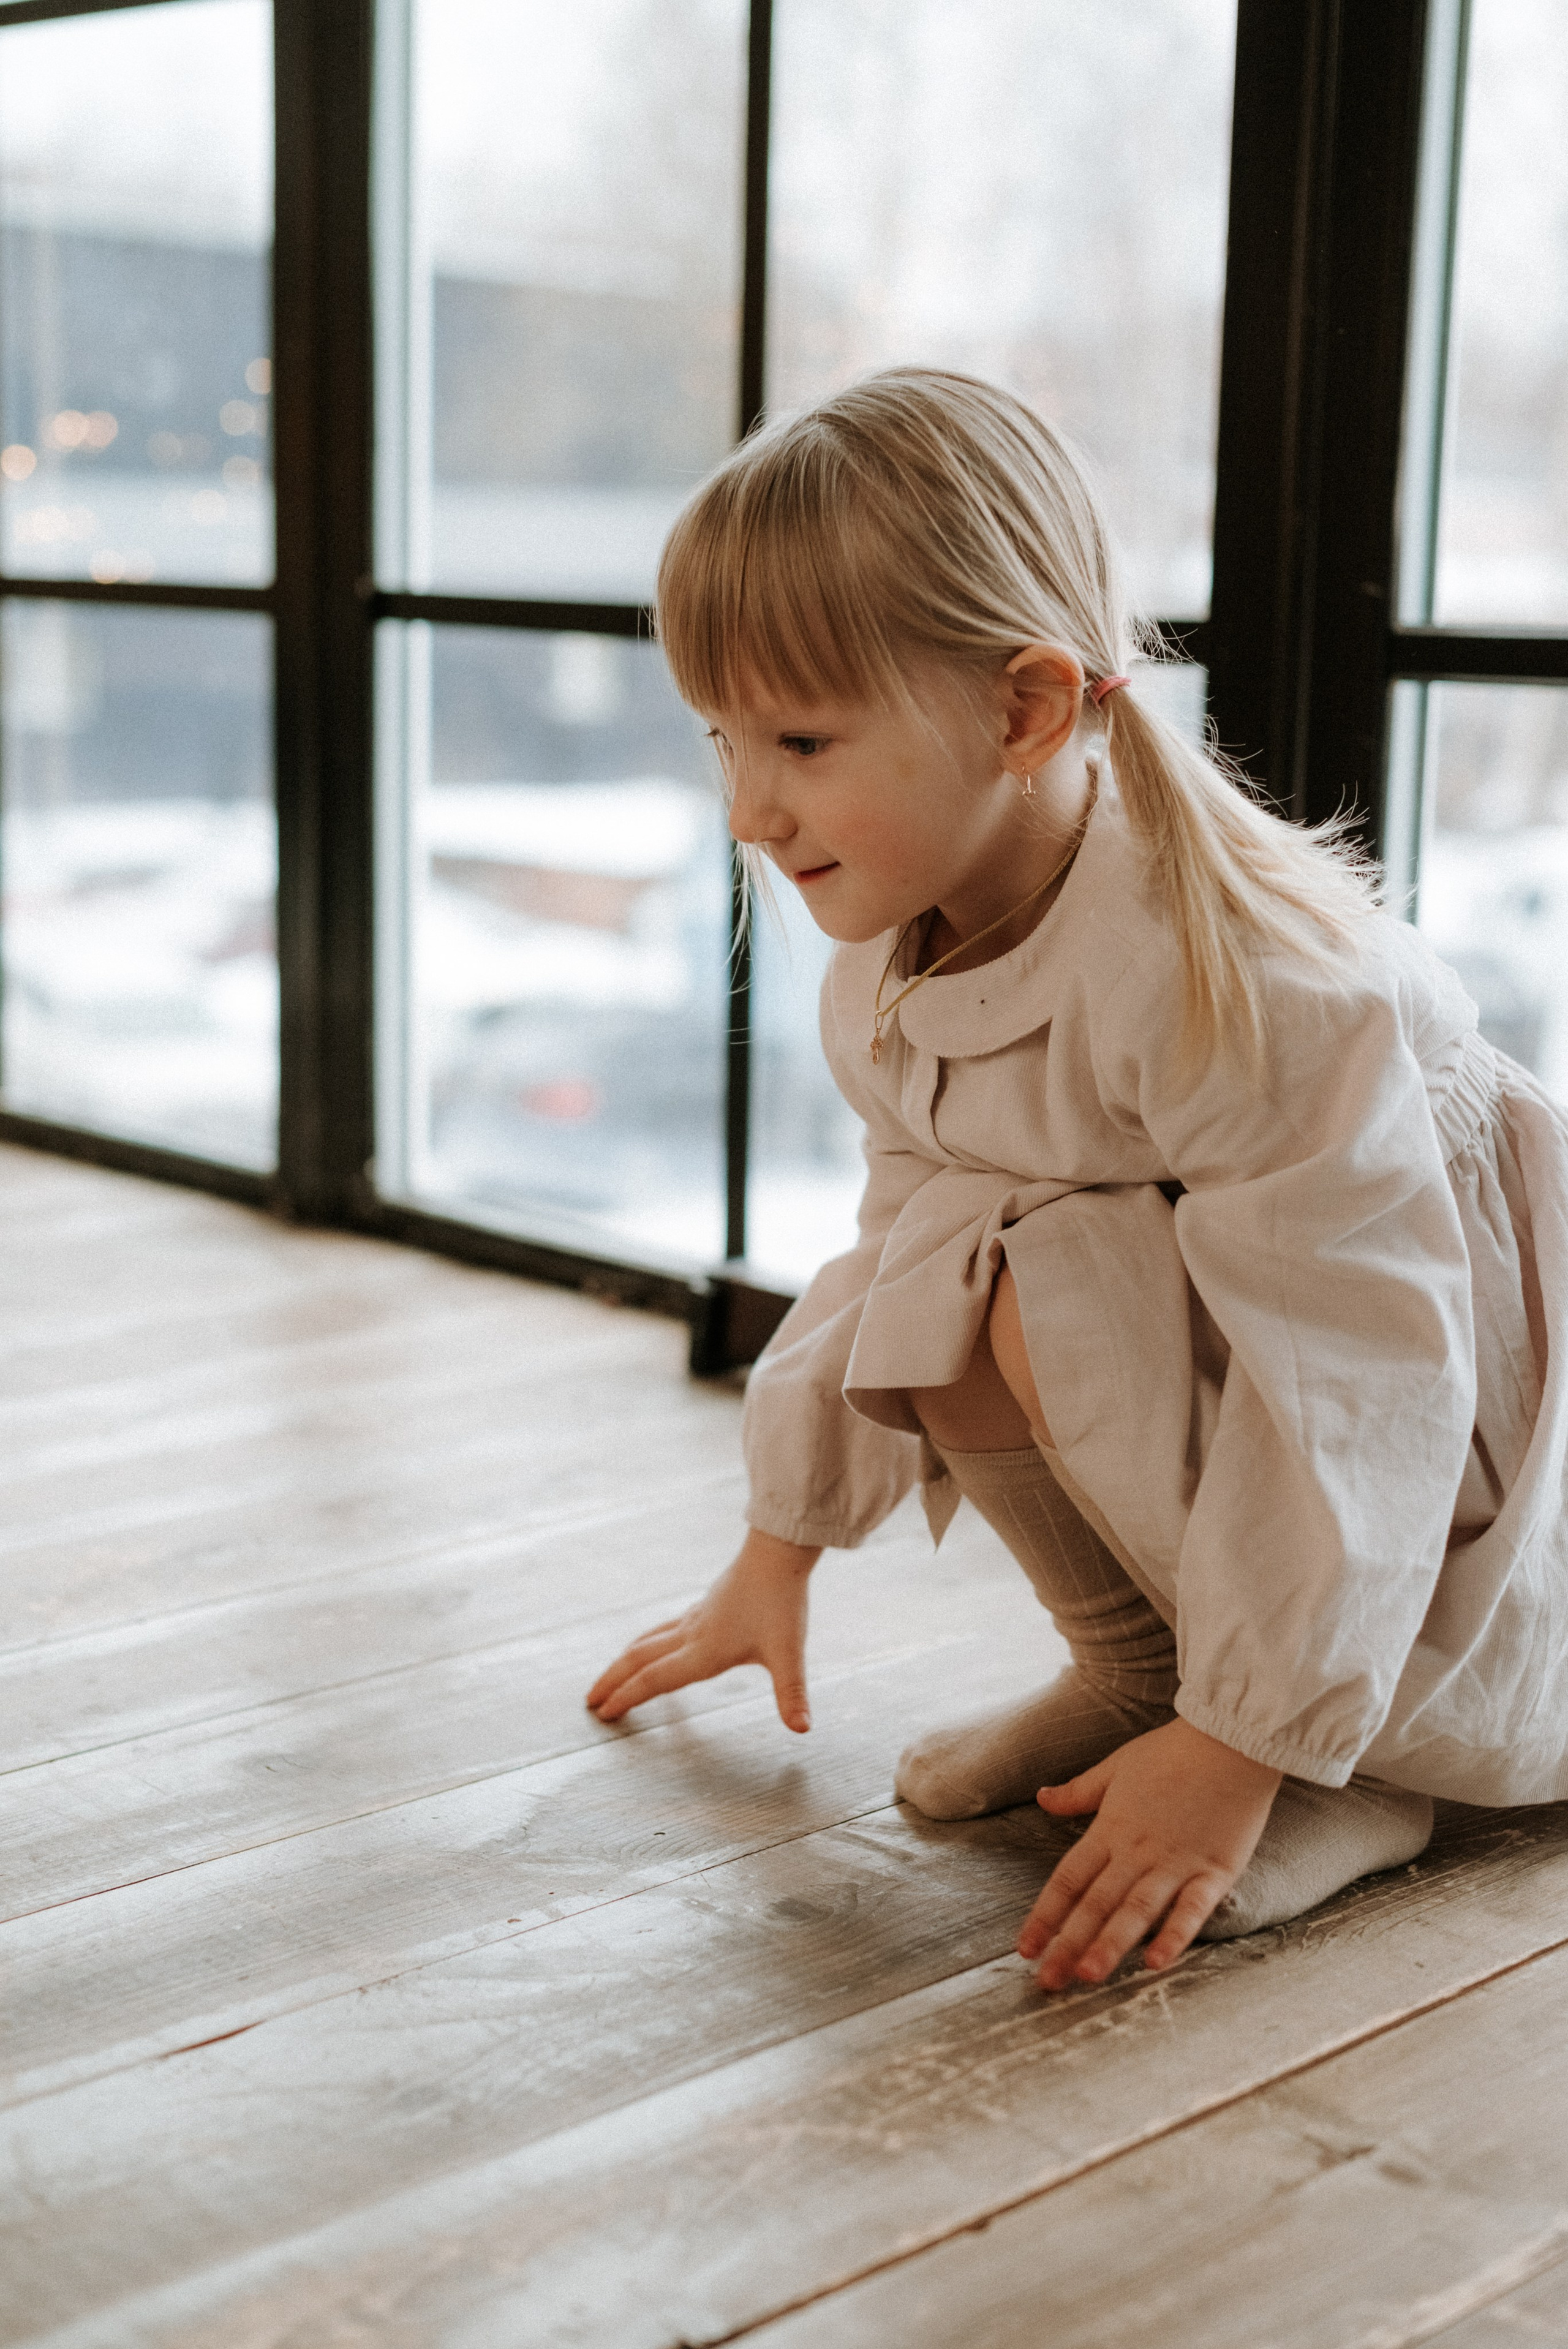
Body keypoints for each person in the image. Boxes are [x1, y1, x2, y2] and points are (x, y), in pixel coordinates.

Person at [586, 366, 1568, 1992]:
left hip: (1431, 1408)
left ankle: (1336, 1758)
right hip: (1283, 1374)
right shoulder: (894, 957)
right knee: (970, 1241)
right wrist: (781, 1541)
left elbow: (1361, 1382)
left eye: (804, 741)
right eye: (724, 740)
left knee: (1043, 1257)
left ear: (1027, 711)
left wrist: (1244, 1748)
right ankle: (1136, 1672)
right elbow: (897, 1244)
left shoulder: (1231, 987)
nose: (751, 809)